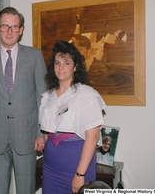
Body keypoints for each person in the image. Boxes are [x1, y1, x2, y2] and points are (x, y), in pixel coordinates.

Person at [0, 7, 47, 194]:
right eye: (5, 26)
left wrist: (41, 133)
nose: (9, 31)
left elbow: (43, 98)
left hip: (27, 136)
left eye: (14, 27)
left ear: (21, 30)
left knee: (26, 189)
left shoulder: (34, 56)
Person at [39, 40, 106, 194]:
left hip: (76, 167)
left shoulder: (87, 95)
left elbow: (93, 137)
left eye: (66, 62)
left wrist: (79, 174)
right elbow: (47, 133)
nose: (60, 67)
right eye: (57, 62)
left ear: (75, 67)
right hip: (50, 168)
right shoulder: (47, 97)